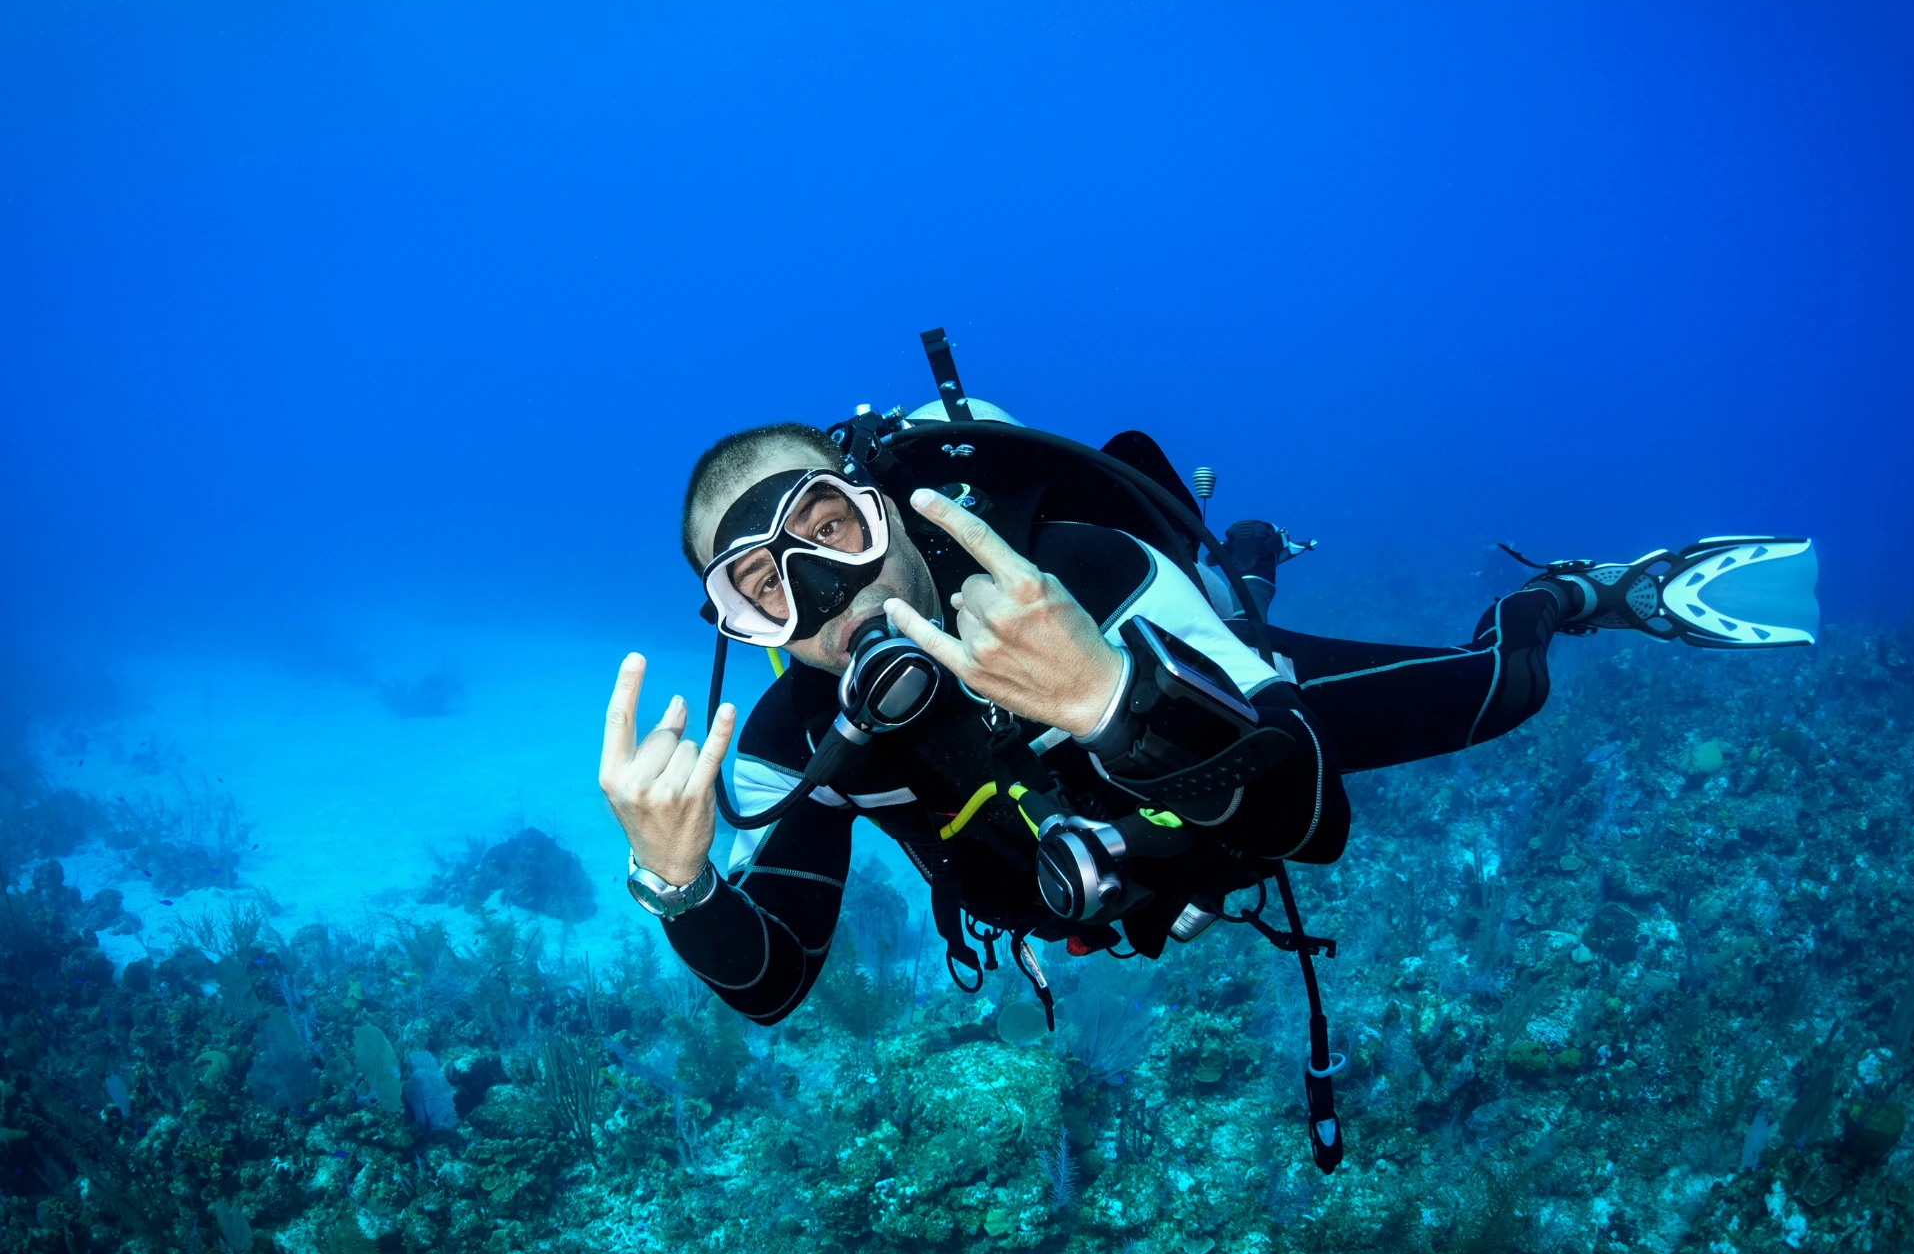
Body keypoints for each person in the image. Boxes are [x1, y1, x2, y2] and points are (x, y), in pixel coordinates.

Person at [596, 339, 1818, 1170]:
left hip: (1214, 741)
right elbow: (769, 983)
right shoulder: (791, 746)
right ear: (735, 630)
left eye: (829, 529)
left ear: (884, 507)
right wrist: (676, 882)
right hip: (1092, 887)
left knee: (1498, 687)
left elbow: (1302, 814)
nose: (823, 594)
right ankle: (1250, 544)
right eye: (762, 588)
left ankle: (1579, 593)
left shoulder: (1087, 576)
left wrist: (1109, 697)